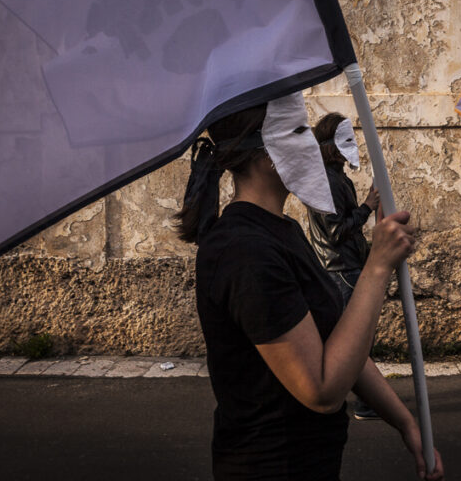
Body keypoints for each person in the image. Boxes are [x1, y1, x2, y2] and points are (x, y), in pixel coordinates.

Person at [175, 93, 444, 480]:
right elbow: (320, 389)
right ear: (267, 153)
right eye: (299, 130)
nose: (312, 144)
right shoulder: (244, 251)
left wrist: (407, 424)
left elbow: (336, 344)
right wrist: (377, 264)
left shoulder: (282, 231)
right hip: (271, 467)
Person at [307, 112, 380, 420]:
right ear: (331, 144)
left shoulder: (334, 177)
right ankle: (362, 401)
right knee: (354, 338)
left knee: (347, 337)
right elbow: (336, 231)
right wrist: (366, 208)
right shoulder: (327, 180)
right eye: (347, 139)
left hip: (345, 266)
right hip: (341, 269)